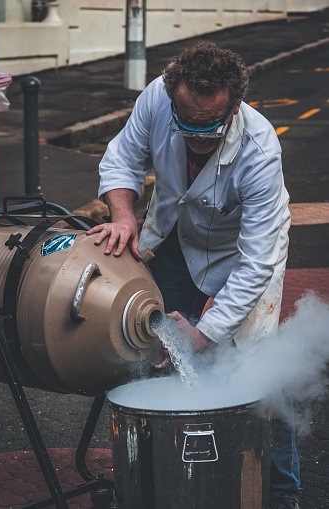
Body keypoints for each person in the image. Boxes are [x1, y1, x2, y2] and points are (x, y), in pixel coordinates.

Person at [87, 41, 301, 509]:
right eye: (186, 125)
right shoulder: (154, 99)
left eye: (211, 128)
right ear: (172, 99)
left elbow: (256, 260)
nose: (198, 138)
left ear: (235, 105)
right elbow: (121, 159)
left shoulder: (260, 149)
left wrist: (208, 331)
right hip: (178, 235)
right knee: (155, 347)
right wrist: (123, 215)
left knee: (257, 370)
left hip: (245, 250)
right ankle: (172, 473)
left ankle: (282, 492)